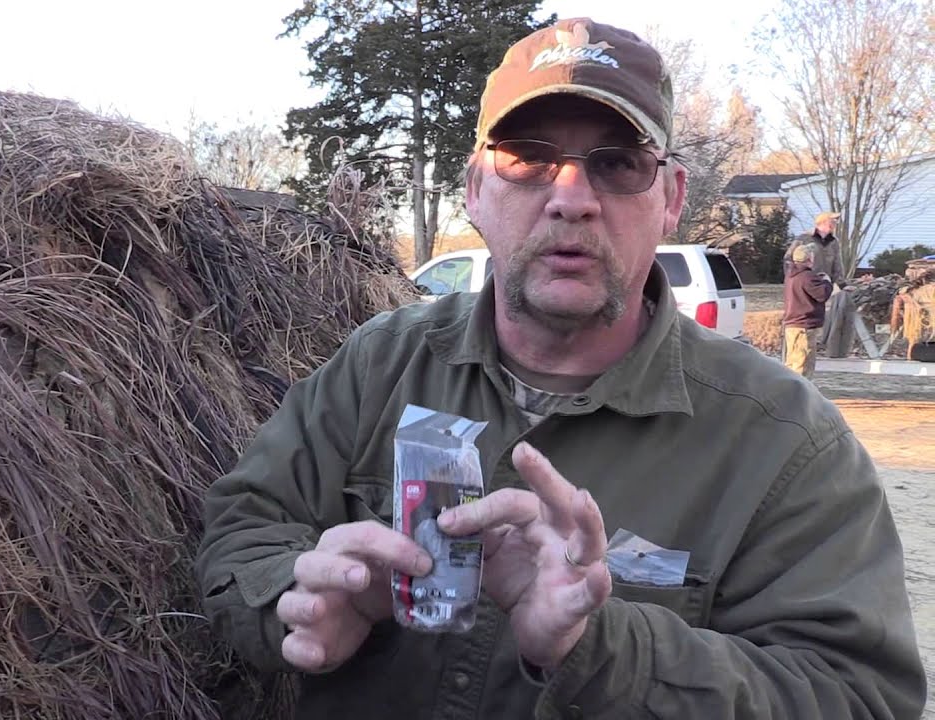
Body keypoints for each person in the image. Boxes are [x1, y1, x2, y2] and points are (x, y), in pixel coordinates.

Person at [195, 17, 924, 719]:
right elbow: (243, 525)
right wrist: (296, 597)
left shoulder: (786, 444)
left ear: (670, 198)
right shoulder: (377, 365)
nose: (571, 198)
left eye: (616, 163)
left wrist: (595, 648)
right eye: (528, 158)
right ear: (477, 190)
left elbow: (855, 695)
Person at [782, 244, 834, 377]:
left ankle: (791, 392)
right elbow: (822, 294)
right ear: (809, 259)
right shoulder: (807, 276)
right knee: (802, 365)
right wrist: (827, 282)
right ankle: (800, 395)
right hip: (803, 327)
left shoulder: (791, 275)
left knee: (792, 363)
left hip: (793, 325)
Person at [784, 211, 847, 287]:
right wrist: (792, 278)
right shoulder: (804, 238)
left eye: (835, 222)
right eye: (832, 221)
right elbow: (788, 259)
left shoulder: (834, 242)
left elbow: (837, 265)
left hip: (825, 285)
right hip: (806, 283)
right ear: (823, 222)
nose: (835, 224)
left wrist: (841, 284)